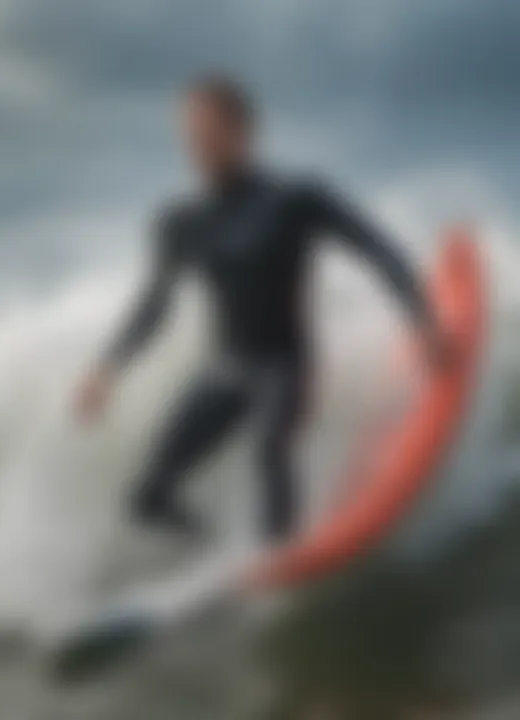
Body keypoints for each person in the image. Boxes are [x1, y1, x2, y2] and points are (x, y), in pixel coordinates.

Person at [73, 74, 451, 543]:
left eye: (207, 133)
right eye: (189, 135)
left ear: (242, 132)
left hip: (284, 365)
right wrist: (108, 367)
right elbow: (154, 304)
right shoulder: (180, 223)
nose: (196, 146)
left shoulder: (295, 199)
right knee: (147, 496)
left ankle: (283, 566)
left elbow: (376, 249)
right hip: (224, 371)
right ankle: (214, 558)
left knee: (270, 451)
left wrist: (421, 317)